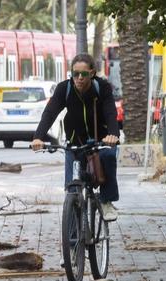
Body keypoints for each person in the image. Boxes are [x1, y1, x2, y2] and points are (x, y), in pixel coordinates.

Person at [31, 53, 120, 221]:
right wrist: (38, 137)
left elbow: (110, 112)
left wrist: (113, 135)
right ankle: (72, 237)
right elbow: (50, 113)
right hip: (75, 143)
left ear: (92, 73)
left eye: (84, 74)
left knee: (108, 156)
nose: (79, 78)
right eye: (75, 74)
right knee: (72, 189)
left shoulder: (102, 87)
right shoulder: (64, 89)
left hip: (100, 142)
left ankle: (107, 201)